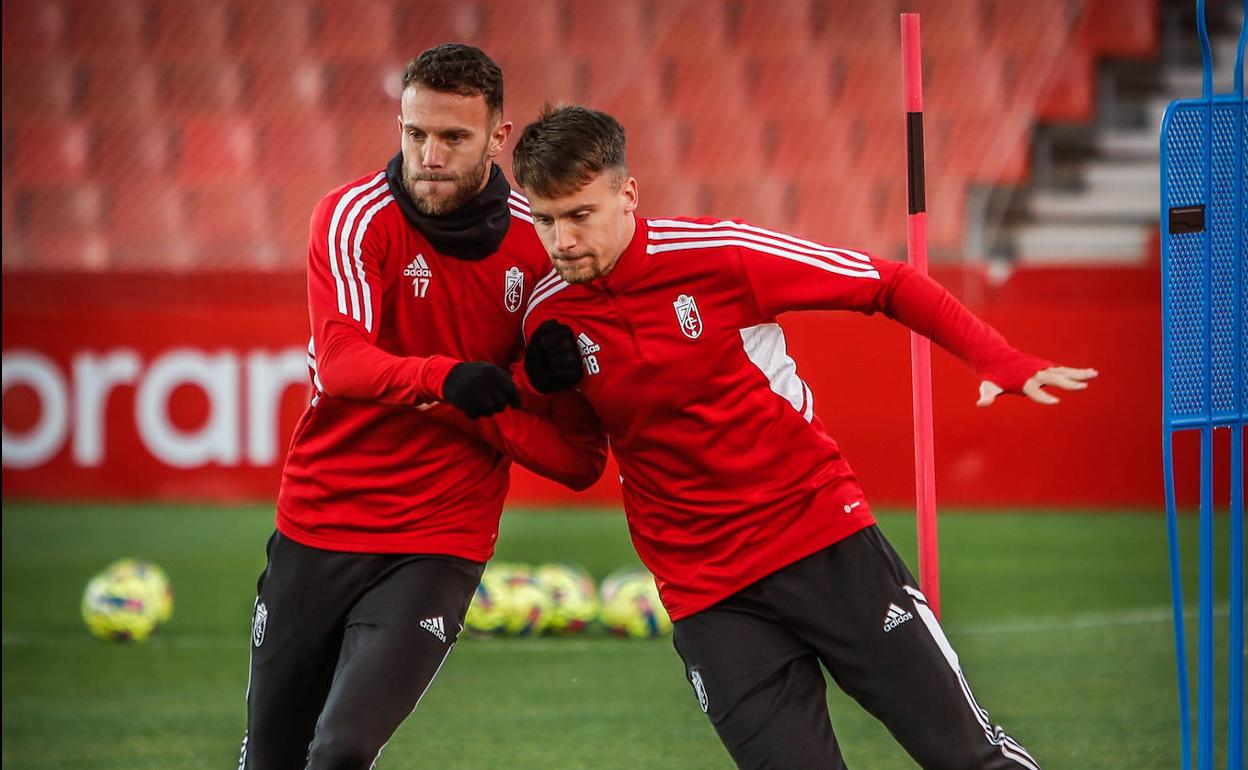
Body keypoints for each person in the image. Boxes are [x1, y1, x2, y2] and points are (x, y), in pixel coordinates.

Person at [510, 104, 1097, 770]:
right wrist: (528, 389)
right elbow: (578, 462)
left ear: (628, 195)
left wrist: (995, 357)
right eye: (545, 220)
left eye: (579, 216)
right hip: (706, 590)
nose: (561, 242)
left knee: (965, 756)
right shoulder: (545, 315)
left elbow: (886, 282)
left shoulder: (720, 255)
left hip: (820, 539)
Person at [239, 47, 601, 769]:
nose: (428, 156)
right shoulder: (351, 217)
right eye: (414, 134)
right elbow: (342, 365)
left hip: (440, 541)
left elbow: (577, 461)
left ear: (499, 137)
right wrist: (450, 381)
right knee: (272, 758)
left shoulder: (543, 239)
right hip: (321, 522)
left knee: (341, 751)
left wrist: (542, 384)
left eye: (454, 138)